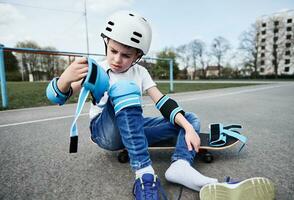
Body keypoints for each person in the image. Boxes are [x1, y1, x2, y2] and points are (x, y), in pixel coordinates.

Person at [46, 10, 217, 200]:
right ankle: (144, 174)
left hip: (134, 129)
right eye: (113, 51)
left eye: (126, 55)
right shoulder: (97, 69)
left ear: (137, 56)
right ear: (106, 44)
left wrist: (187, 128)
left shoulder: (141, 72)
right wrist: (65, 78)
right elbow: (57, 97)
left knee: (190, 119)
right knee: (124, 88)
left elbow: (162, 102)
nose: (117, 59)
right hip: (106, 133)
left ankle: (181, 166)